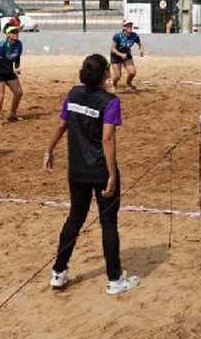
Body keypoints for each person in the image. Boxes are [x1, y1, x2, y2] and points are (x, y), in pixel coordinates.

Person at [44, 53, 139, 295]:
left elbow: (60, 125)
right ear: (105, 73)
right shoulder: (110, 101)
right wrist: (111, 175)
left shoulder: (73, 94)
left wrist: (49, 151)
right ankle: (115, 280)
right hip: (99, 169)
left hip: (76, 170)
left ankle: (58, 272)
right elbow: (107, 139)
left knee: (75, 218)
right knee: (108, 223)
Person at [0, 25, 24, 127]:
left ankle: (12, 114)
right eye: (13, 33)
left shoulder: (18, 44)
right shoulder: (1, 46)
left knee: (18, 92)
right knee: (0, 95)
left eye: (16, 33)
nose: (15, 35)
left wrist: (17, 67)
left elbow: (17, 57)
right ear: (8, 35)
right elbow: (0, 61)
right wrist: (12, 69)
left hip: (8, 70)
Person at [110, 20, 144, 90]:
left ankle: (128, 83)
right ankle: (114, 85)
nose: (130, 27)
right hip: (116, 55)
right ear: (124, 27)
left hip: (126, 54)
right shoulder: (118, 36)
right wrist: (120, 54)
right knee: (117, 76)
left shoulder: (135, 36)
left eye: (130, 25)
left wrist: (141, 50)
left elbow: (140, 43)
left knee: (132, 72)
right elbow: (112, 48)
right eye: (127, 25)